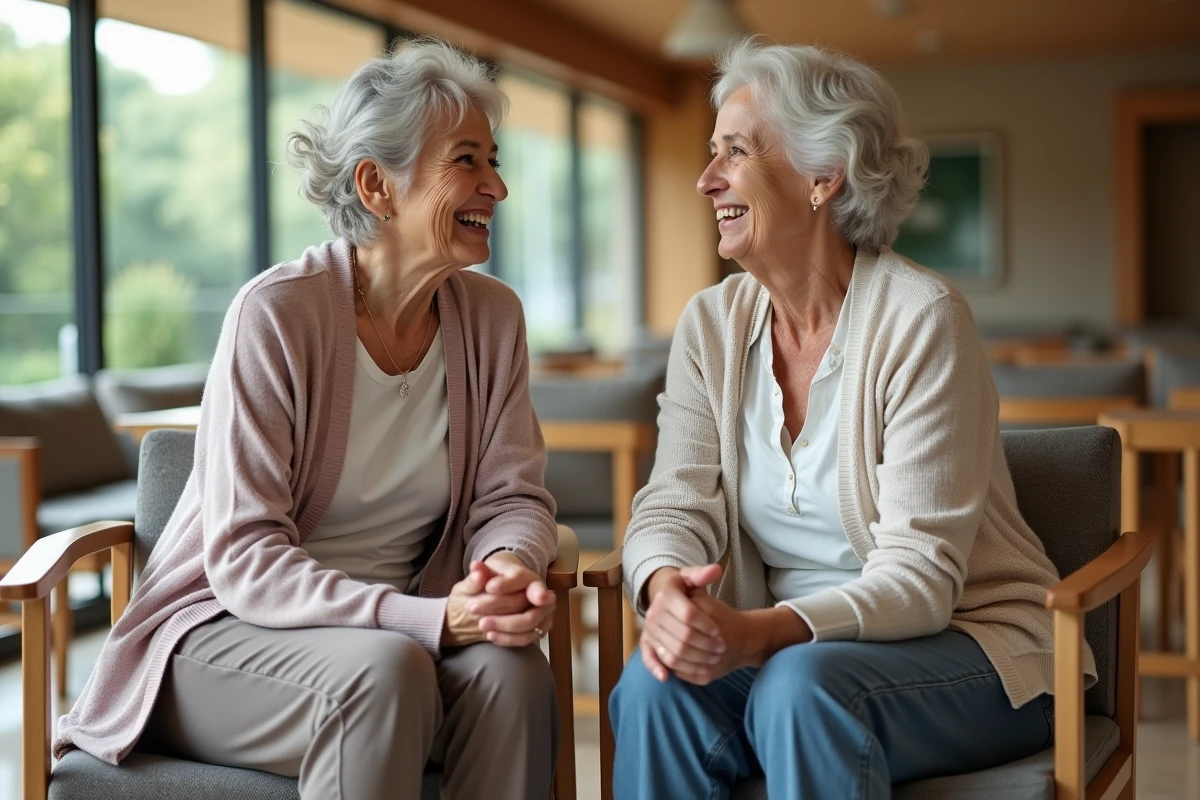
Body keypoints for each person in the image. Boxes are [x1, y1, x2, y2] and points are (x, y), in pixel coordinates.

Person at [56, 38, 561, 800]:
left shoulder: (492, 318)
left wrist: (508, 569)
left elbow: (512, 498)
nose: (497, 186)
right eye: (468, 161)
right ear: (377, 186)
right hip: (224, 636)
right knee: (385, 673)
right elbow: (246, 556)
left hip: (399, 628)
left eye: (494, 160)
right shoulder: (278, 315)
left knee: (512, 671)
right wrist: (418, 620)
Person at [611, 39, 1094, 799]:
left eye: (733, 152)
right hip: (791, 654)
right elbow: (673, 499)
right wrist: (665, 588)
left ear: (821, 177)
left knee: (801, 689)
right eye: (712, 155)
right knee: (653, 686)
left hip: (973, 649)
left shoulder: (921, 319)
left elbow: (923, 579)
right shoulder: (709, 325)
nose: (706, 180)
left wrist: (761, 633)